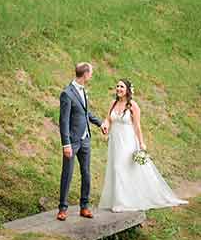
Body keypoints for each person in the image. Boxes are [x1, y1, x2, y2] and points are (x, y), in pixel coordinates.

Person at [102, 78, 186, 212]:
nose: (118, 89)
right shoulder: (113, 103)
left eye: (122, 87)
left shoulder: (133, 106)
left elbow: (137, 126)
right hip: (115, 142)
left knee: (121, 168)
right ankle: (118, 199)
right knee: (116, 167)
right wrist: (105, 125)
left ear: (128, 90)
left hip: (128, 141)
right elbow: (108, 119)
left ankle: (122, 202)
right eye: (117, 86)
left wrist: (141, 143)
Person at [56, 61, 103, 220]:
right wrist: (66, 144)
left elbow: (85, 112)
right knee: (67, 174)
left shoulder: (84, 91)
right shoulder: (67, 93)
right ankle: (62, 209)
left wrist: (100, 123)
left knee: (86, 173)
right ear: (85, 74)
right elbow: (63, 121)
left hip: (85, 140)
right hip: (72, 142)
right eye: (91, 73)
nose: (91, 75)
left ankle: (84, 206)